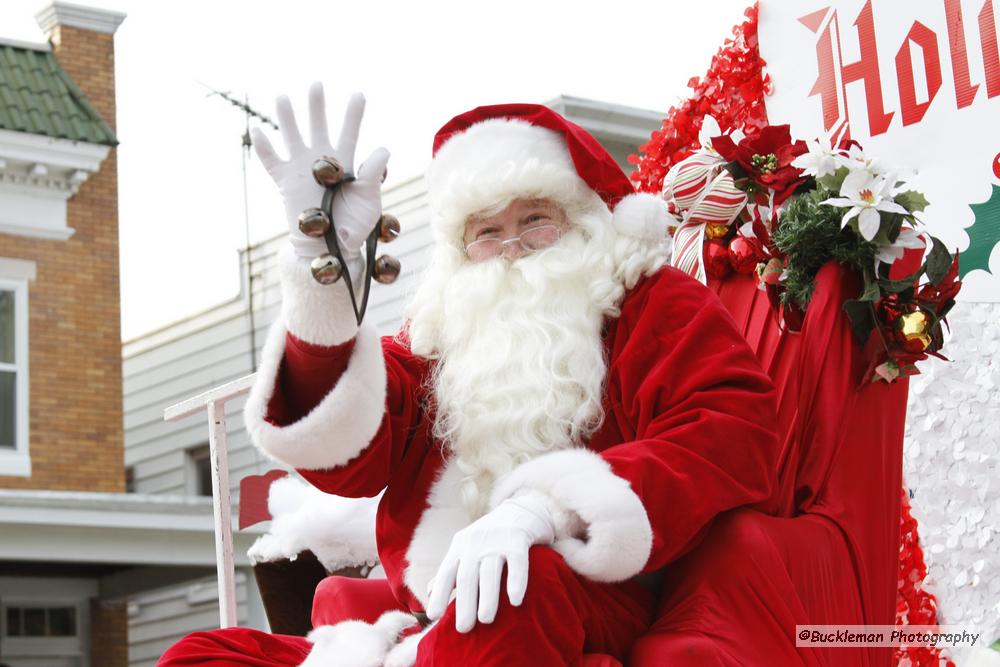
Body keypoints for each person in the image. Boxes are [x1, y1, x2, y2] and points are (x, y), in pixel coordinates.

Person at [159, 83, 779, 666]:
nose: (512, 246)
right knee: (201, 654)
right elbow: (349, 452)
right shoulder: (442, 335)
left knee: (518, 584)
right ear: (461, 250)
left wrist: (548, 508)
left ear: (583, 221)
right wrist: (324, 283)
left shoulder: (647, 301)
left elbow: (728, 426)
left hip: (588, 588)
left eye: (535, 218)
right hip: (428, 620)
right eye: (487, 231)